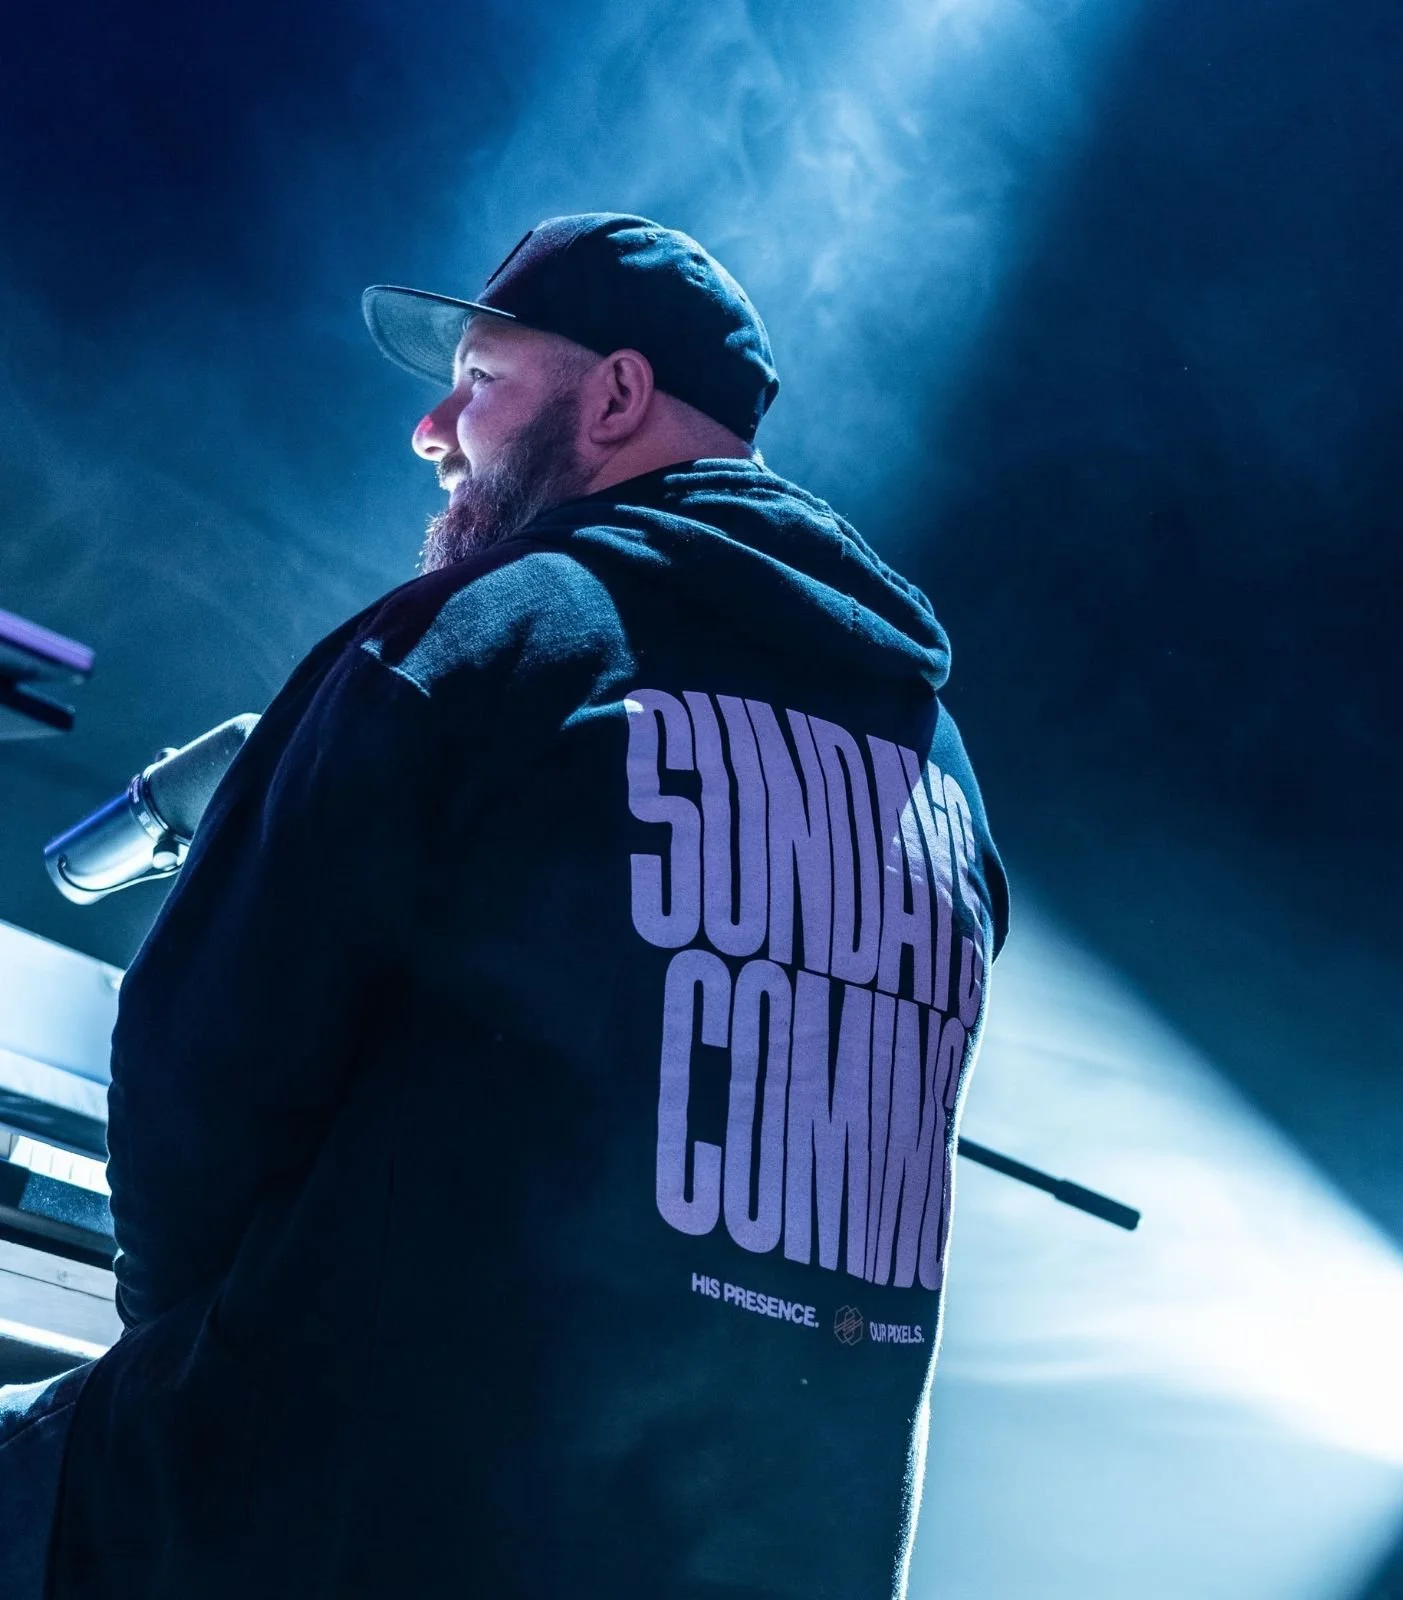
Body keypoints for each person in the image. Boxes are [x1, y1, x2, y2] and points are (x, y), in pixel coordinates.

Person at [4, 212, 1008, 1598]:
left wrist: (211, 1391)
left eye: (480, 376)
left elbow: (201, 1078)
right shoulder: (941, 774)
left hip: (355, 1523)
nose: (434, 426)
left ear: (614, 396)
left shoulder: (493, 635)